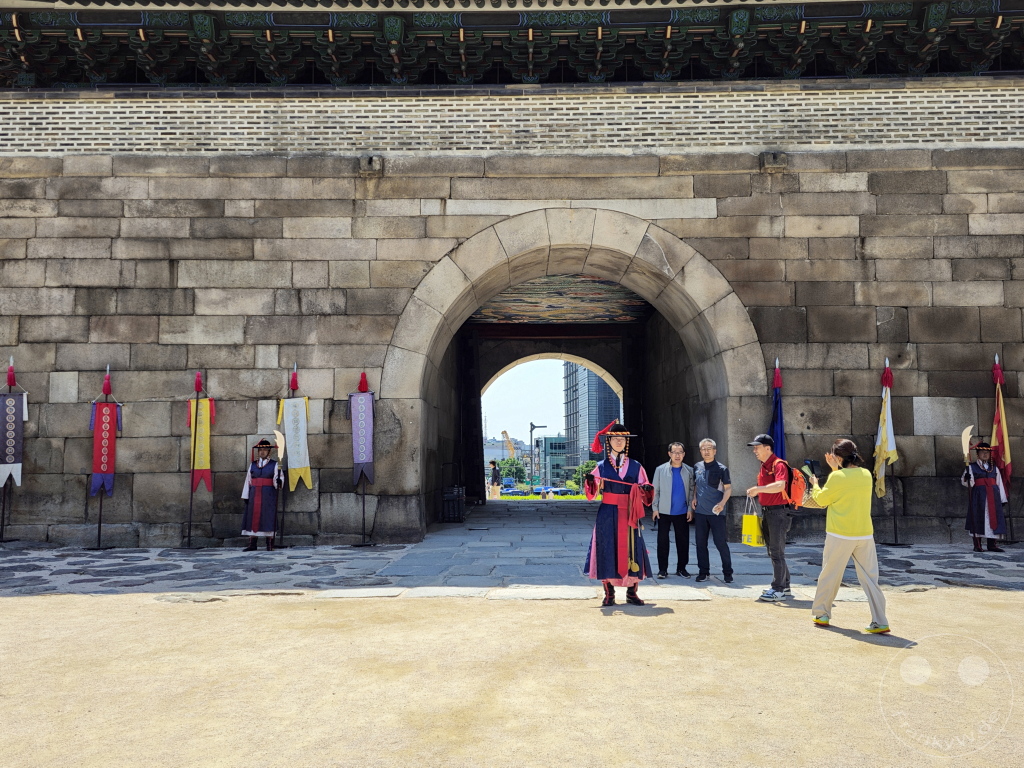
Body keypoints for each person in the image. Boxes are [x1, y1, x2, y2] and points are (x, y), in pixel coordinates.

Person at [808, 439, 890, 634]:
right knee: (871, 579)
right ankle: (880, 620)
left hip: (840, 534)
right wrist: (836, 469)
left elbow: (821, 500)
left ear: (837, 457)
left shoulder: (837, 477)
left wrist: (815, 484)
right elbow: (847, 486)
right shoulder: (866, 474)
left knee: (830, 574)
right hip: (864, 534)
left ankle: (822, 613)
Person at [584, 423, 655, 606]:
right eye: (614, 439)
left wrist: (646, 489)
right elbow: (592, 493)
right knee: (607, 548)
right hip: (607, 513)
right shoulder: (600, 466)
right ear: (609, 442)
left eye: (622, 439)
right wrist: (591, 481)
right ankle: (609, 594)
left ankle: (632, 592)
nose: (618, 442)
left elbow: (645, 491)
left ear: (626, 442)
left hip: (630, 512)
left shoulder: (636, 466)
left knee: (633, 548)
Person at [745, 434, 792, 602]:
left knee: (776, 552)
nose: (755, 451)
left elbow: (780, 486)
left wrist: (759, 489)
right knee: (774, 551)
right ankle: (784, 585)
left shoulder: (778, 465)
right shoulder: (764, 465)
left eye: (757, 447)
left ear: (768, 448)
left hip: (778, 513)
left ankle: (778, 589)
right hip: (768, 512)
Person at [692, 439, 734, 583]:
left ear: (715, 451)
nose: (706, 451)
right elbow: (697, 484)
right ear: (700, 451)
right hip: (701, 512)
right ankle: (703, 572)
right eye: (703, 449)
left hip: (717, 512)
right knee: (700, 543)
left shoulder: (722, 469)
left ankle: (728, 573)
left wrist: (722, 503)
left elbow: (728, 489)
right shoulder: (697, 466)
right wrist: (694, 497)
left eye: (709, 448)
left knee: (720, 543)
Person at [651, 442, 695, 579]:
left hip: (682, 512)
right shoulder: (660, 470)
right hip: (663, 511)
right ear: (669, 454)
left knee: (683, 541)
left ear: (684, 454)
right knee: (662, 541)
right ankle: (662, 570)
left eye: (680, 452)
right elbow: (655, 490)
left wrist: (690, 509)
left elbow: (692, 491)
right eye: (674, 452)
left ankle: (681, 568)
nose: (677, 455)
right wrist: (655, 508)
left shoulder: (689, 470)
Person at [962, 442, 1007, 553]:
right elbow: (968, 483)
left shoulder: (993, 468)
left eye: (987, 452)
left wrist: (1002, 498)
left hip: (993, 497)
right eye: (982, 452)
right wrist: (967, 478)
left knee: (994, 519)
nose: (985, 454)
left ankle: (992, 545)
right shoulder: (972, 467)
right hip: (979, 497)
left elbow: (999, 483)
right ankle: (977, 545)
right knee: (978, 518)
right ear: (978, 454)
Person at [241, 438, 283, 551]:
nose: (262, 452)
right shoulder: (253, 465)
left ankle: (269, 544)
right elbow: (248, 480)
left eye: (265, 449)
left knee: (268, 516)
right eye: (260, 450)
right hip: (254, 494)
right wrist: (246, 495)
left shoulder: (274, 465)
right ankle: (252, 544)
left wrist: (279, 482)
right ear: (258, 452)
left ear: (269, 451)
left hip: (268, 495)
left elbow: (278, 479)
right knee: (252, 516)